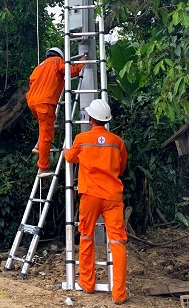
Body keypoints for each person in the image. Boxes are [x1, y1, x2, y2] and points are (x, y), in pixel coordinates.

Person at [64, 99, 128, 305]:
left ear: (91, 119)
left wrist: (66, 151)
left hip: (90, 195)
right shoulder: (117, 142)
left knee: (86, 237)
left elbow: (70, 158)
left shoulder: (82, 139)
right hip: (113, 196)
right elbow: (121, 167)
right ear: (106, 120)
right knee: (117, 243)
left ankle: (87, 283)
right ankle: (119, 294)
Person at [26, 47, 86, 177]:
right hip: (45, 103)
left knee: (45, 125)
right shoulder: (57, 61)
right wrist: (81, 63)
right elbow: (69, 71)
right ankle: (43, 168)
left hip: (32, 102)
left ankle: (38, 145)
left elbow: (31, 83)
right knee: (46, 135)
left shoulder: (39, 67)